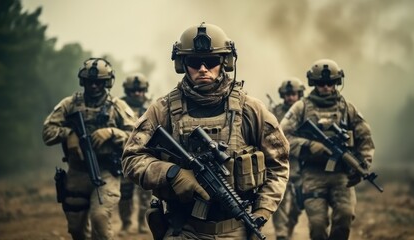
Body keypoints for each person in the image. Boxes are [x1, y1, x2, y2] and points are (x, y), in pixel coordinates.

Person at [121, 22, 290, 239]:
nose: (203, 69)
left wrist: (264, 208)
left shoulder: (250, 109)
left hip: (235, 228)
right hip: (183, 227)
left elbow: (279, 163)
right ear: (182, 64)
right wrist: (172, 173)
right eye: (194, 62)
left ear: (225, 62)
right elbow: (131, 159)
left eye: (211, 61)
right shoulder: (161, 110)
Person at [280, 59, 375, 240]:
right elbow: (281, 137)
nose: (325, 86)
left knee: (344, 218)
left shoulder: (347, 108)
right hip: (312, 175)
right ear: (313, 83)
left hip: (342, 177)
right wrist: (309, 145)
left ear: (337, 82)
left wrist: (363, 164)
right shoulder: (301, 107)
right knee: (317, 226)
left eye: (329, 83)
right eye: (320, 83)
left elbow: (365, 138)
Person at [42, 58, 136, 240]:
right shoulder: (69, 104)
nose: (93, 86)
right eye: (89, 82)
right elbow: (47, 132)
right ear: (82, 81)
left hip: (106, 172)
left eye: (99, 82)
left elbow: (138, 138)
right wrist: (68, 134)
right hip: (77, 172)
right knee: (76, 229)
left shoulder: (117, 106)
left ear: (107, 83)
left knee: (99, 217)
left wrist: (112, 132)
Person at [270, 78, 305, 240]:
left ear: (299, 94)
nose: (290, 98)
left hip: (300, 164)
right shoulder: (275, 112)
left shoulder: (304, 112)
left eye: (293, 94)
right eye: (287, 94)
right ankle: (281, 234)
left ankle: (289, 227)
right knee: (281, 200)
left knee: (298, 203)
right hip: (280, 162)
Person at [118, 73, 153, 234]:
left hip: (146, 157)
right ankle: (126, 224)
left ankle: (142, 223)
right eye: (133, 91)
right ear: (127, 91)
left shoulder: (152, 107)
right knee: (125, 194)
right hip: (124, 157)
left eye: (140, 90)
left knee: (146, 193)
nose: (137, 93)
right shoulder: (119, 107)